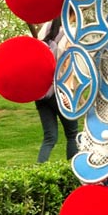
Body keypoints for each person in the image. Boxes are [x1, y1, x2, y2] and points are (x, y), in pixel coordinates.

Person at [35, 17, 79, 162]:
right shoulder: (70, 33)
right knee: (72, 134)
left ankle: (39, 172)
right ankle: (71, 171)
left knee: (49, 137)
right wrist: (66, 93)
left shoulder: (44, 30)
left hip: (40, 92)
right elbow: (67, 65)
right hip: (60, 91)